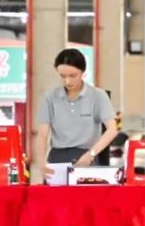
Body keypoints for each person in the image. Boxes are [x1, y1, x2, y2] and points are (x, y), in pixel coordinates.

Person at [34, 48, 118, 178]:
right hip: (57, 159)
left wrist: (91, 154)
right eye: (62, 76)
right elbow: (42, 134)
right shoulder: (50, 97)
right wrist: (41, 161)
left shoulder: (98, 96)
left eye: (72, 76)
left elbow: (112, 130)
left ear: (83, 72)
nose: (67, 81)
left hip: (87, 158)